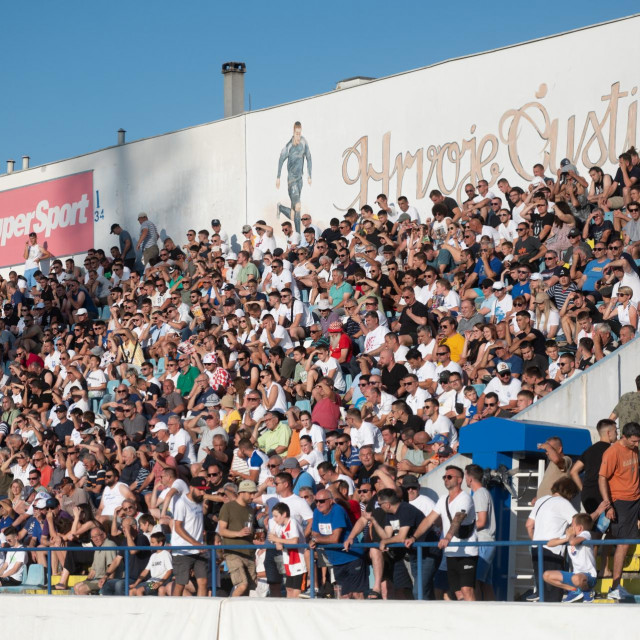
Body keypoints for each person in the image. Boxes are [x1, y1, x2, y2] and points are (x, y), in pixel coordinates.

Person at [406, 465, 478, 601]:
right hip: (450, 552)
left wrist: (447, 537)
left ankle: (475, 619)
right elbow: (429, 520)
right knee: (457, 593)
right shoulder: (443, 499)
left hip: (466, 551)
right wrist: (414, 537)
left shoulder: (465, 498)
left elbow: (458, 518)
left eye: (449, 477)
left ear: (459, 480)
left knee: (467, 590)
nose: (446, 479)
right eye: (444, 477)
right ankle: (462, 620)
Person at [598, 421, 640, 600]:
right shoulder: (612, 452)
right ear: (624, 437)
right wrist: (608, 504)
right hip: (620, 502)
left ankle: (613, 581)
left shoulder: (634, 450)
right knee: (623, 543)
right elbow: (602, 478)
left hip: (635, 501)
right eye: (634, 441)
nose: (637, 445)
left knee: (623, 541)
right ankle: (615, 586)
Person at [526, 477, 578, 603]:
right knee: (553, 593)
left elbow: (528, 525)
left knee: (542, 592)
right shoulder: (563, 503)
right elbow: (578, 524)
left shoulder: (541, 500)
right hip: (553, 550)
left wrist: (537, 540)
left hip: (536, 548)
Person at [310, 488, 366, 599]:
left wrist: (316, 540)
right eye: (316, 501)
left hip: (352, 556)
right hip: (335, 560)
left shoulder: (338, 510)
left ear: (331, 501)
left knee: (357, 594)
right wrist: (316, 539)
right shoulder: (317, 512)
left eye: (321, 501)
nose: (318, 504)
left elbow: (335, 538)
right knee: (344, 596)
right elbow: (314, 534)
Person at [542, 513, 598, 603]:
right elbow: (550, 543)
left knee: (576, 578)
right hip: (575, 575)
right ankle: (574, 590)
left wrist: (569, 537)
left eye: (572, 525)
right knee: (546, 575)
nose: (570, 528)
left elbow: (572, 542)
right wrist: (565, 539)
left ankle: (588, 591)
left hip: (589, 576)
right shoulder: (571, 536)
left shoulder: (586, 534)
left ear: (579, 528)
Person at [218, 479, 258, 597]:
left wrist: (255, 535)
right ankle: (228, 609)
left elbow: (248, 531)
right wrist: (238, 533)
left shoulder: (250, 509)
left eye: (253, 493)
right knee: (242, 585)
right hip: (233, 552)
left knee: (248, 589)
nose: (253, 496)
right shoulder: (228, 507)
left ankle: (239, 613)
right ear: (242, 492)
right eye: (250, 493)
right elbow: (222, 531)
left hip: (249, 553)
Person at [171, 477, 208, 597]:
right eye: (200, 490)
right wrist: (195, 543)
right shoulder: (181, 503)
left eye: (204, 490)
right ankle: (174, 610)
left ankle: (200, 611)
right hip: (183, 550)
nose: (202, 493)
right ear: (191, 488)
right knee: (180, 584)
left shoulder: (198, 501)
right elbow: (177, 527)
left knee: (203, 582)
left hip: (198, 549)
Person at [465, 464, 496, 600]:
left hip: (483, 543)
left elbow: (482, 521)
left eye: (465, 476)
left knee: (475, 582)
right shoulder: (482, 493)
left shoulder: (479, 494)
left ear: (470, 478)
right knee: (485, 583)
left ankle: (477, 611)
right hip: (486, 543)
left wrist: (464, 530)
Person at [276, 121, 312, 232]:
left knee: (294, 215)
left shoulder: (304, 142)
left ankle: (281, 208)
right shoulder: (289, 145)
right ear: (293, 132)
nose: (298, 135)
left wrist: (309, 175)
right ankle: (298, 235)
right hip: (292, 181)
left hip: (300, 180)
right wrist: (278, 177)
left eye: (300, 133)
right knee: (298, 206)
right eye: (296, 133)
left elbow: (309, 158)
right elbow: (281, 159)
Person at [268, 501, 308, 598]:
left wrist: (277, 540)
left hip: (298, 561)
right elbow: (276, 538)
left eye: (276, 516)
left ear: (284, 514)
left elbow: (295, 541)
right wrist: (276, 541)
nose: (274, 519)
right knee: (289, 589)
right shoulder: (280, 526)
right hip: (289, 561)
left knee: (296, 592)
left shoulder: (292, 522)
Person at [129, 531, 173, 596]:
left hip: (158, 583)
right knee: (131, 591)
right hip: (150, 582)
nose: (150, 544)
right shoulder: (153, 555)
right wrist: (136, 584)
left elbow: (170, 570)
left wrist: (159, 583)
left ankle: (143, 606)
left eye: (152, 542)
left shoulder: (166, 554)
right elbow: (146, 571)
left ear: (160, 543)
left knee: (139, 591)